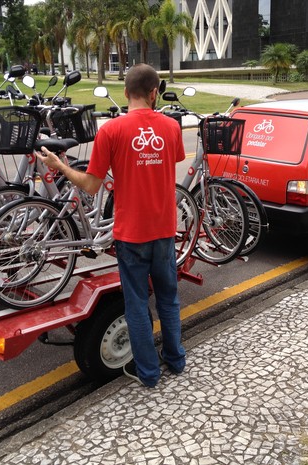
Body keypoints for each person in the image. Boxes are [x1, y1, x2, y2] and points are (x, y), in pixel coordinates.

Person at [36, 63, 186, 388]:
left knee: (136, 304)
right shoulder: (172, 127)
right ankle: (176, 360)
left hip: (131, 234)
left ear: (125, 93)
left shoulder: (111, 130)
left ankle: (148, 373)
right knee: (168, 299)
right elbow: (169, 166)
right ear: (154, 93)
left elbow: (90, 185)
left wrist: (59, 165)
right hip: (164, 230)